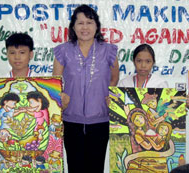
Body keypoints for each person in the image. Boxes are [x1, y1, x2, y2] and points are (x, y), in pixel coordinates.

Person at [52, 4, 119, 172]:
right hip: (70, 120)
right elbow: (55, 83)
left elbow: (114, 77)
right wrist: (61, 98)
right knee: (75, 167)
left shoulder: (109, 50)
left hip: (100, 120)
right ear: (73, 27)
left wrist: (109, 93)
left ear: (96, 26)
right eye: (80, 23)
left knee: (96, 167)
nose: (85, 27)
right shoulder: (63, 51)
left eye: (89, 22)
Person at [0, 33, 69, 116]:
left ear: (31, 55)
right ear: (6, 54)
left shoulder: (44, 84)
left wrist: (63, 104)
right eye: (12, 53)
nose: (17, 57)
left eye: (22, 52)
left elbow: (52, 111)